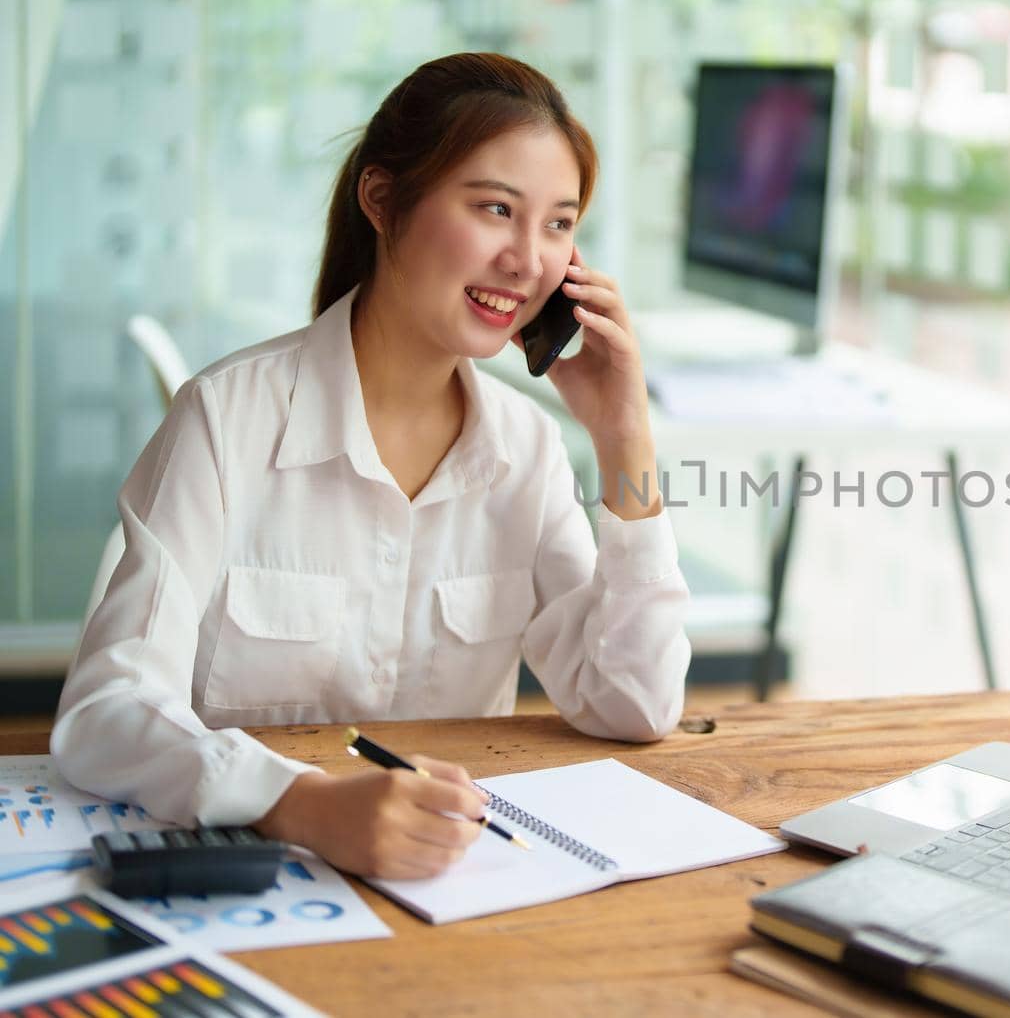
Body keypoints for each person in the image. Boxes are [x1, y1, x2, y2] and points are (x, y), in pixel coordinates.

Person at [52, 52, 690, 880]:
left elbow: (634, 703)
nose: (529, 260)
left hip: (452, 884)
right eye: (497, 208)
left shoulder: (525, 452)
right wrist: (302, 803)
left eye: (559, 224)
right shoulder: (227, 419)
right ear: (383, 200)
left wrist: (626, 441)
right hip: (263, 878)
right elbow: (105, 709)